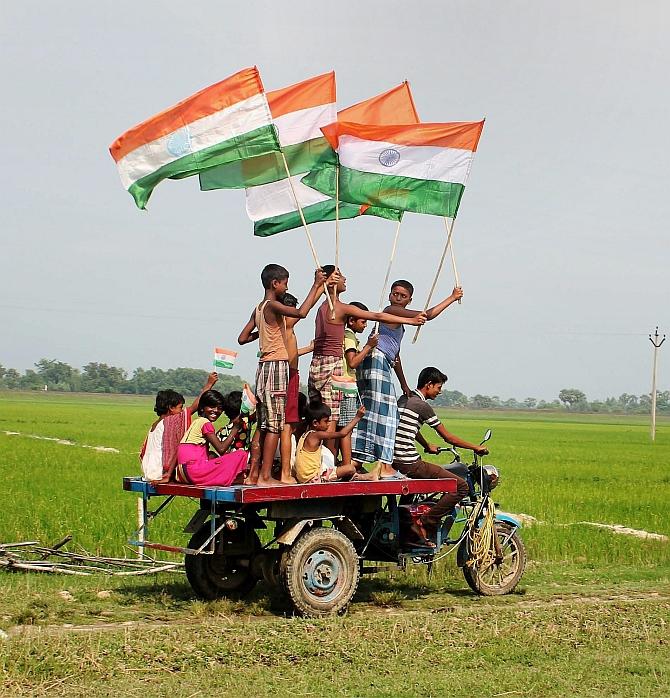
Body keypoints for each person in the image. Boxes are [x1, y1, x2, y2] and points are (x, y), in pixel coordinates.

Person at [308, 266, 425, 460]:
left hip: (317, 365)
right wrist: (412, 321)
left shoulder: (321, 307)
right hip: (333, 368)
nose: (346, 278)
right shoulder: (339, 307)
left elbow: (304, 309)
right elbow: (378, 316)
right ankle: (328, 462)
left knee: (323, 416)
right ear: (333, 280)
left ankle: (325, 459)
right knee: (333, 419)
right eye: (341, 276)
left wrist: (318, 284)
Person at [352, 280, 463, 480]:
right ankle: (382, 467)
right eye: (395, 294)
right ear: (390, 296)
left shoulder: (398, 325)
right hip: (376, 359)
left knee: (372, 411)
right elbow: (427, 315)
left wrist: (403, 384)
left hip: (381, 361)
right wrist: (452, 298)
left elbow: (396, 356)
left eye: (403, 296)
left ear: (409, 299)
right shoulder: (390, 310)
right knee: (385, 413)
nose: (398, 298)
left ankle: (358, 463)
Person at [238, 264, 327, 486]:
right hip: (277, 366)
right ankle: (265, 477)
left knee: (265, 425)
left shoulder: (259, 308)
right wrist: (316, 284)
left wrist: (266, 331)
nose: (286, 288)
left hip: (263, 368)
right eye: (285, 283)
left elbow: (242, 338)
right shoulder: (274, 306)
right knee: (276, 426)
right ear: (274, 283)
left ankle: (255, 475)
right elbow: (301, 313)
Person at [393, 367, 488, 547]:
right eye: (438, 387)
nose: (440, 391)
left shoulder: (405, 399)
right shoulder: (422, 406)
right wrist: (476, 447)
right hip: (408, 461)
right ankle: (427, 521)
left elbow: (407, 427)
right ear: (428, 385)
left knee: (414, 490)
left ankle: (407, 528)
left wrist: (426, 445)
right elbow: (447, 437)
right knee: (460, 487)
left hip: (394, 460)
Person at [140, 371, 218, 484]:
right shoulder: (169, 421)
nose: (182, 411)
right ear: (171, 408)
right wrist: (209, 384)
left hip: (149, 472)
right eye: (180, 407)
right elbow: (193, 408)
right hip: (160, 472)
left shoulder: (155, 424)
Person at [175, 390, 248, 487]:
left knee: (212, 455)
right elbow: (221, 449)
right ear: (202, 408)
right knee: (241, 454)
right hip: (194, 472)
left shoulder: (197, 422)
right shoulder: (206, 423)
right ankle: (236, 478)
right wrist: (235, 428)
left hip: (182, 473)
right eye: (212, 407)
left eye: (219, 408)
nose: (216, 411)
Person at [337, 301, 378, 468]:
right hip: (346, 386)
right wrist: (369, 345)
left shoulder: (349, 336)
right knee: (346, 428)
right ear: (351, 320)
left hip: (342, 385)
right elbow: (352, 362)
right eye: (363, 321)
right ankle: (347, 466)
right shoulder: (349, 336)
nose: (365, 325)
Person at [295, 400, 364, 483]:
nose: (328, 424)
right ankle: (325, 479)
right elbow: (342, 433)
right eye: (326, 421)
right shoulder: (316, 435)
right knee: (350, 468)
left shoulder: (305, 434)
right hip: (313, 477)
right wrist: (357, 417)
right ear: (315, 423)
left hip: (303, 477)